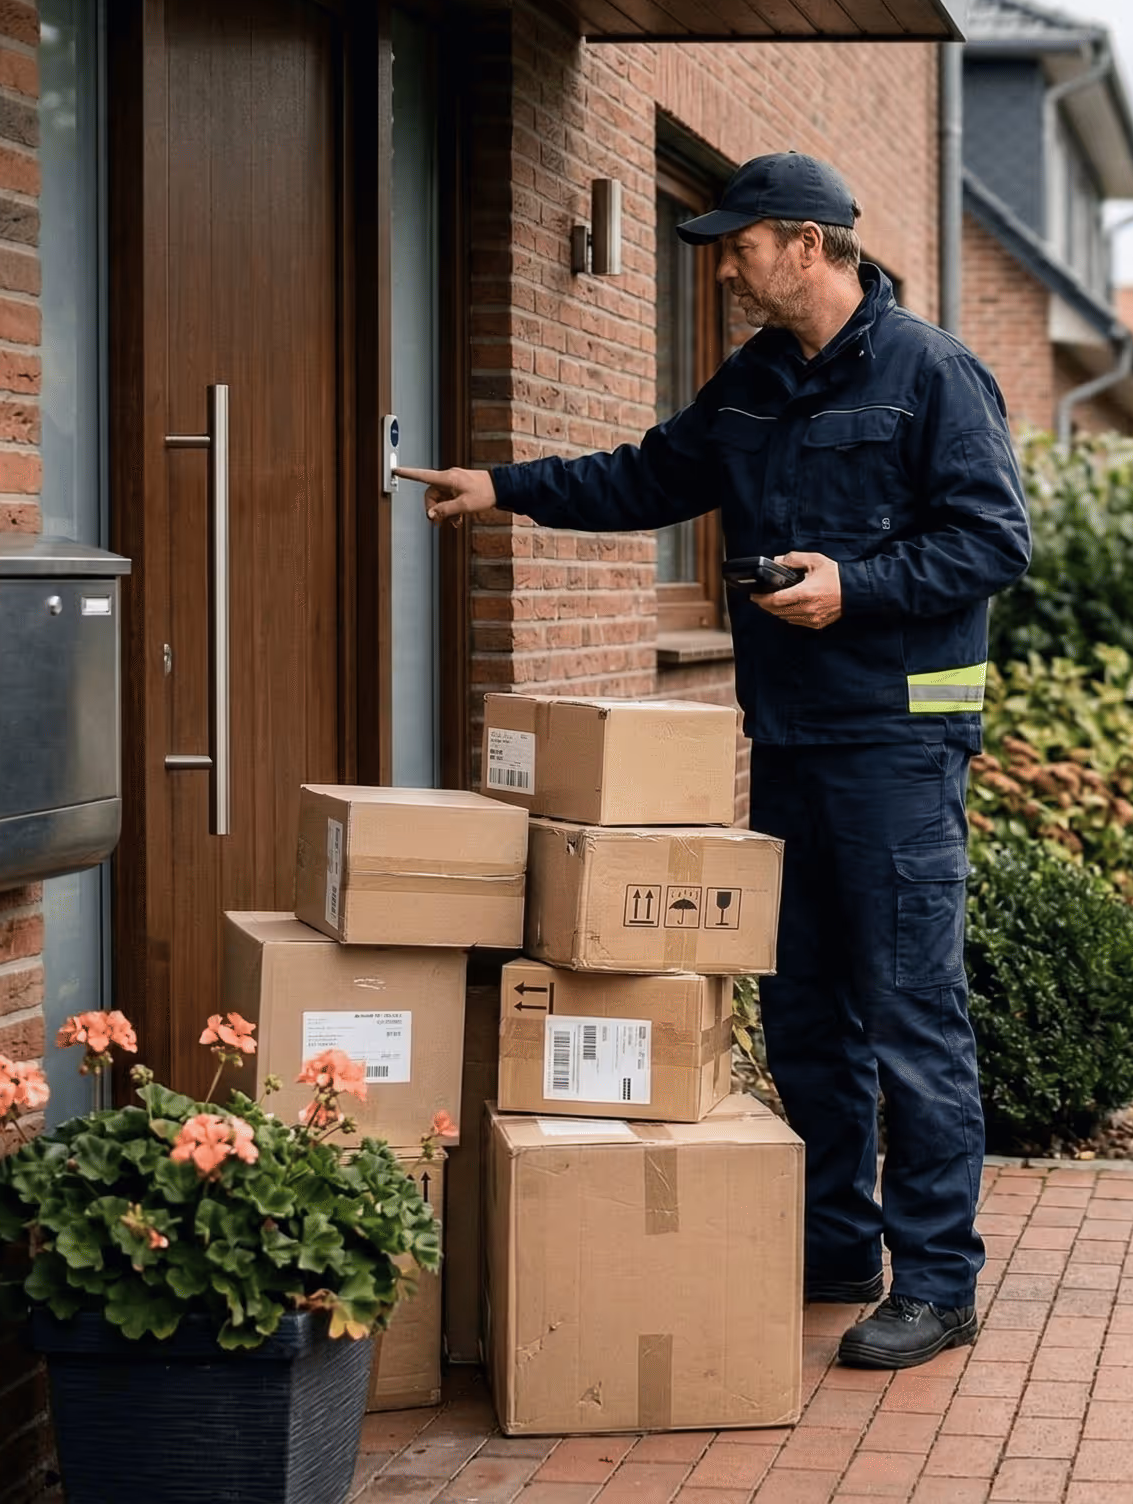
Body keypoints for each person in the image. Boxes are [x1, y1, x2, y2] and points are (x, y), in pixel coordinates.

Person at [396, 151, 1028, 1370]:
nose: (726, 269)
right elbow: (649, 475)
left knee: (910, 1013)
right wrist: (501, 487)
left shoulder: (929, 372)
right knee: (803, 1012)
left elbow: (993, 540)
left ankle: (938, 1282)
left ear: (806, 243)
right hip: (786, 740)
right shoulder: (752, 380)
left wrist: (853, 587)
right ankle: (837, 1247)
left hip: (898, 748)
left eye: (739, 246)